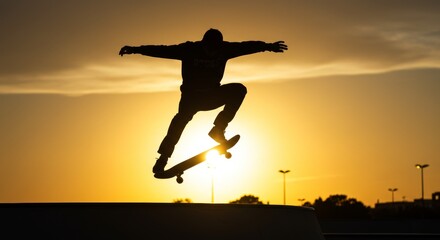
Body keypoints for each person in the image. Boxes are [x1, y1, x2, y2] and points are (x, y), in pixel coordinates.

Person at [119, 28, 288, 173]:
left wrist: (268, 46)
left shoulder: (225, 49)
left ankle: (218, 129)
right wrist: (135, 49)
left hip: (211, 96)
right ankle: (163, 158)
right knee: (179, 121)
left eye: (214, 50)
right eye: (209, 49)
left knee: (239, 90)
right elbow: (162, 50)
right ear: (203, 44)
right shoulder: (189, 49)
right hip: (190, 99)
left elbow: (246, 46)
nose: (211, 53)